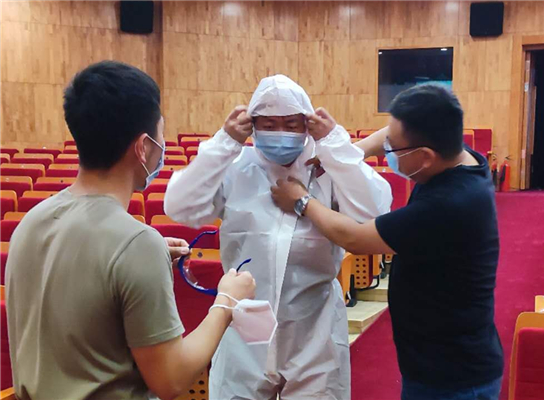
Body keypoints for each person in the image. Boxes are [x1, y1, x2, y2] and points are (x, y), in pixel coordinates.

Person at [5, 61, 256, 400]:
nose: (163, 144)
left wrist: (142, 256)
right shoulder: (137, 244)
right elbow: (171, 379)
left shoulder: (31, 221)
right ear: (143, 147)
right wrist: (227, 301)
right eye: (161, 133)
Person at [164, 74, 392, 400]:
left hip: (314, 327)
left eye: (291, 124)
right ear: (253, 125)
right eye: (269, 124)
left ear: (307, 125)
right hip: (245, 328)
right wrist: (225, 143)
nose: (280, 133)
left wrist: (335, 147)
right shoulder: (237, 168)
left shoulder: (325, 168)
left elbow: (374, 210)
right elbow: (180, 206)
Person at [271, 84, 505, 400]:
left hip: (451, 375)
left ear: (425, 157)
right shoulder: (458, 156)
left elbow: (354, 237)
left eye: (393, 150)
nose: (387, 152)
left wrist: (301, 200)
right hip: (445, 359)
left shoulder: (449, 205)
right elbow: (391, 134)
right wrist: (346, 154)